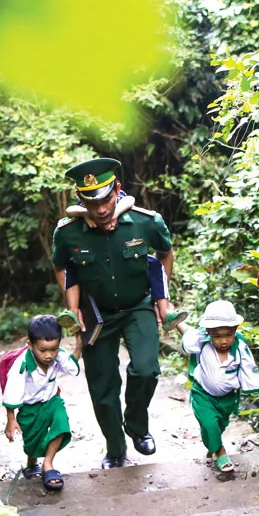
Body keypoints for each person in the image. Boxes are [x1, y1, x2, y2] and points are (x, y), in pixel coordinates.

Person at [51, 157, 174, 469]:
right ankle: (115, 448)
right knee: (103, 386)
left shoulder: (145, 221)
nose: (101, 209)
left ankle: (136, 424)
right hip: (97, 314)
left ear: (117, 190)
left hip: (138, 306)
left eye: (106, 200)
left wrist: (162, 293)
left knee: (146, 369)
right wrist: (73, 307)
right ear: (81, 200)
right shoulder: (68, 233)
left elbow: (165, 251)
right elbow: (61, 265)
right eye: (92, 203)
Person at [172, 300, 259, 472]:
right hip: (203, 395)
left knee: (219, 426)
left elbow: (251, 373)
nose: (223, 341)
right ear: (208, 332)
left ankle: (212, 444)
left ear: (236, 329)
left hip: (227, 399)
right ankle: (220, 452)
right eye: (217, 336)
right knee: (209, 424)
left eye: (228, 335)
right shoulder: (202, 342)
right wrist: (177, 322)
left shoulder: (239, 348)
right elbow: (188, 336)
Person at [2, 315, 81, 491]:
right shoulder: (21, 364)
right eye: (43, 350)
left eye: (53, 349)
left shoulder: (57, 356)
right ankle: (31, 463)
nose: (49, 355)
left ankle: (48, 464)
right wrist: (10, 419)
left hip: (52, 401)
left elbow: (71, 366)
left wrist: (79, 345)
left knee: (61, 424)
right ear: (30, 345)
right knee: (32, 442)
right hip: (29, 408)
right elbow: (12, 391)